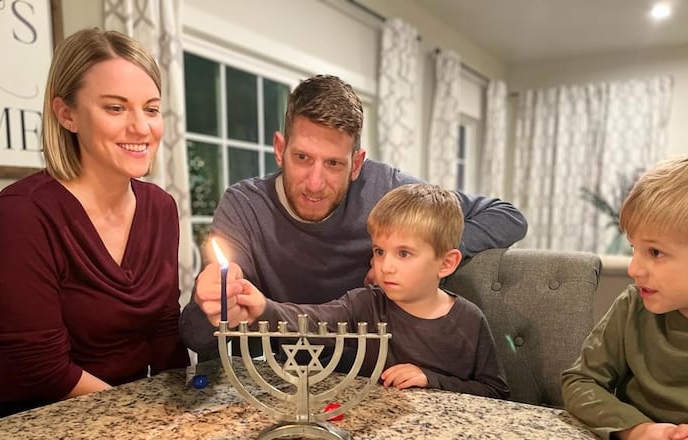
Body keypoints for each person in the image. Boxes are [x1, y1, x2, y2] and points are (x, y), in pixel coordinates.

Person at [180, 74, 528, 355]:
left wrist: (423, 254)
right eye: (302, 158)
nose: (315, 183)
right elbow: (198, 340)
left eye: (333, 163)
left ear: (357, 164)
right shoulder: (244, 206)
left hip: (374, 372)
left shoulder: (390, 189)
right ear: (280, 149)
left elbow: (507, 216)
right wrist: (210, 307)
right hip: (274, 374)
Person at [0, 28, 189, 419]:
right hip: (38, 418)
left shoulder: (161, 207)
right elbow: (43, 369)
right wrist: (141, 417)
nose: (142, 127)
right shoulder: (20, 214)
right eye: (115, 107)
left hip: (132, 409)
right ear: (66, 114)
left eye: (152, 108)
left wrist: (183, 408)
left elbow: (162, 331)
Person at [227, 183, 509, 398]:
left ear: (446, 263)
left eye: (404, 254)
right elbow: (312, 319)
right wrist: (263, 307)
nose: (385, 266)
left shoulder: (470, 320)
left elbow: (496, 391)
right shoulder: (365, 304)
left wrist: (431, 379)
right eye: (379, 251)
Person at [561, 151, 688, 440]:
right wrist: (637, 429)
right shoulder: (632, 307)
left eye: (655, 252)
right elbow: (580, 381)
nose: (634, 268)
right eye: (634, 248)